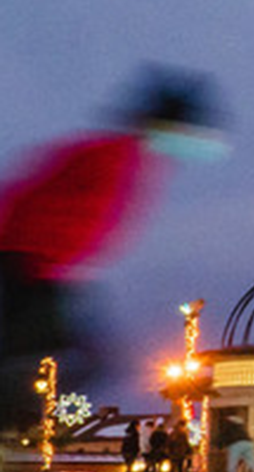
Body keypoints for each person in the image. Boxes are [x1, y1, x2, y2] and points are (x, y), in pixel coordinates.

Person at [0, 71, 225, 431]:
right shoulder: (109, 154)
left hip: (46, 273)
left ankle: (13, 414)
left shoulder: (130, 159)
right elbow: (21, 193)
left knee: (82, 356)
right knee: (84, 357)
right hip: (26, 266)